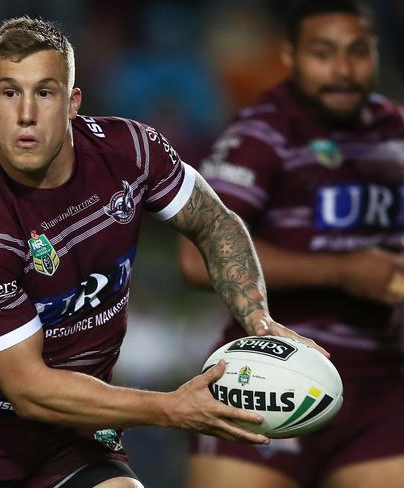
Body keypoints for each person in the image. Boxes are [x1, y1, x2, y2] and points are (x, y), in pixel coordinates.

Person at [0, 17, 324, 488]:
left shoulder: (132, 151)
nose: (26, 113)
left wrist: (259, 320)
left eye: (45, 92)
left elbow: (214, 221)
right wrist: (174, 408)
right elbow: (31, 391)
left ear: (72, 102)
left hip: (75, 433)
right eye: (9, 93)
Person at [179, 1, 404, 487]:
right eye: (324, 53)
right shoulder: (260, 134)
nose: (343, 69)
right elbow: (195, 260)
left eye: (358, 52)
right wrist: (341, 271)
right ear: (290, 55)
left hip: (381, 381)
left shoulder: (397, 132)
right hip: (269, 371)